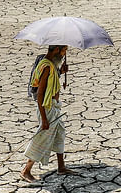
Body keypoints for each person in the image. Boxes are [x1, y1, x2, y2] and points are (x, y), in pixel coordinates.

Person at [21, 45, 78, 182]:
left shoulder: (51, 65)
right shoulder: (46, 66)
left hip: (54, 107)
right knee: (42, 138)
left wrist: (61, 72)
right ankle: (26, 170)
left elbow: (51, 81)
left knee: (60, 134)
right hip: (47, 108)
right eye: (64, 50)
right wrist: (44, 119)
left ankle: (61, 167)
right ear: (57, 50)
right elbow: (40, 94)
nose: (65, 54)